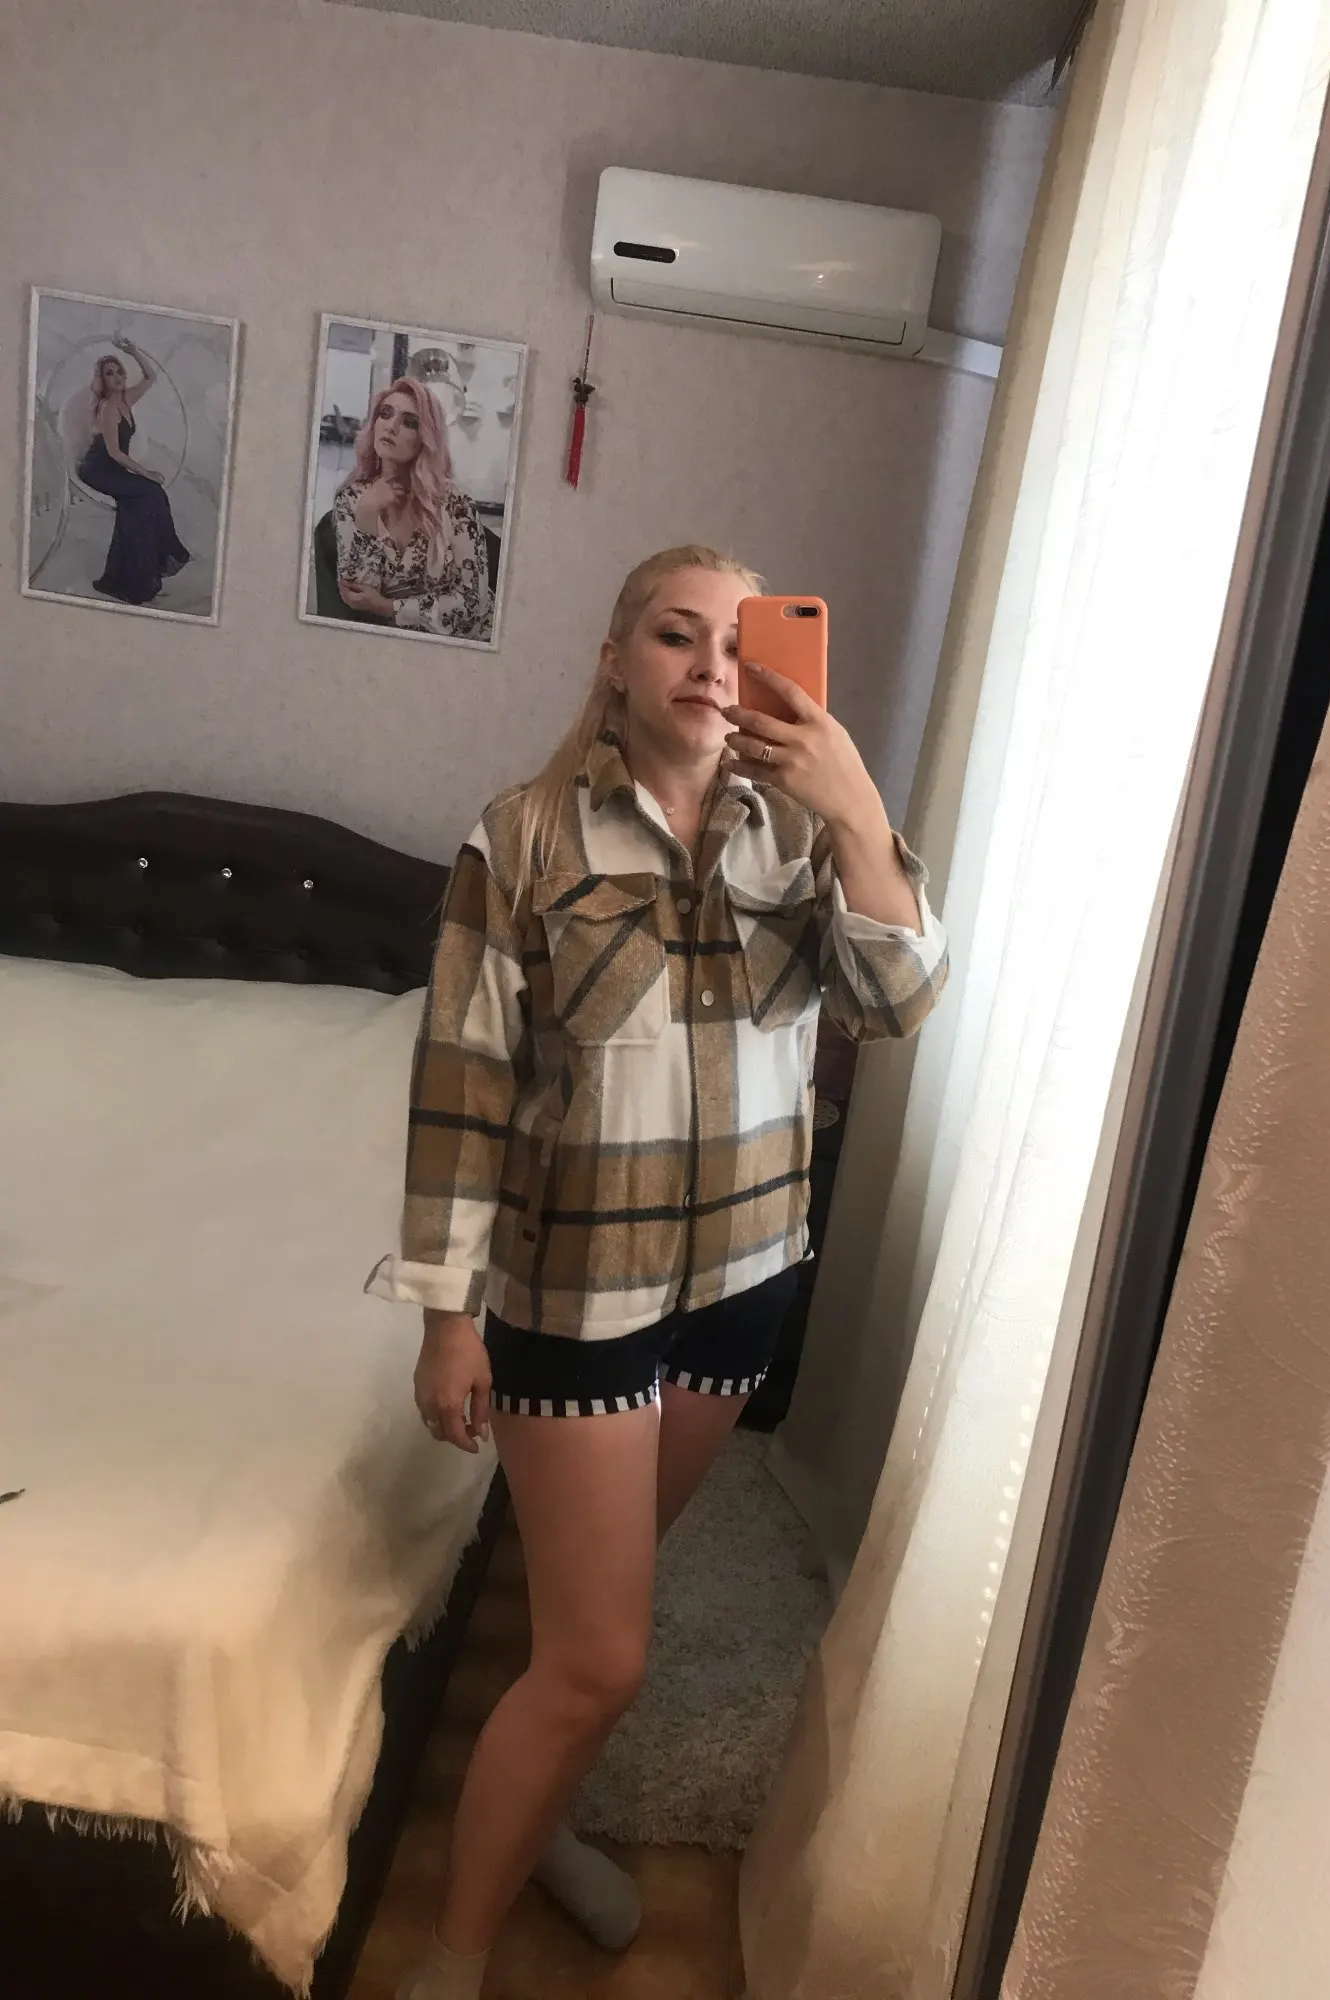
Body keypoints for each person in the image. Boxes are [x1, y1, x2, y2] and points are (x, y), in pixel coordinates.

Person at [365, 545, 949, 2000]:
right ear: (617, 660)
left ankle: (543, 1821)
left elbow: (898, 1002)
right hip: (581, 1296)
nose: (709, 665)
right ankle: (452, 1957)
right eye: (677, 635)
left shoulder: (798, 835)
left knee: (595, 1621)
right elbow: (463, 1089)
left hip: (745, 1279)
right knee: (600, 1658)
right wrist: (447, 1316)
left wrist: (854, 804)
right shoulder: (524, 842)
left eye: (738, 643)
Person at [333, 377, 493, 641]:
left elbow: (472, 604)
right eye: (385, 414)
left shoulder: (455, 502)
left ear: (425, 439)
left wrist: (390, 608)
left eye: (409, 422)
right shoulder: (352, 499)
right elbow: (357, 596)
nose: (391, 426)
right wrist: (367, 515)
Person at [78, 340, 191, 606]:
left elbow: (151, 376)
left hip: (113, 468)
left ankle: (132, 580)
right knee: (149, 492)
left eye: (119, 371)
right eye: (109, 373)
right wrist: (147, 473)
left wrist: (133, 352)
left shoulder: (126, 399)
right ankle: (160, 561)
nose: (117, 376)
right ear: (103, 381)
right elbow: (115, 453)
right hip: (97, 470)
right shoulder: (108, 408)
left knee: (141, 504)